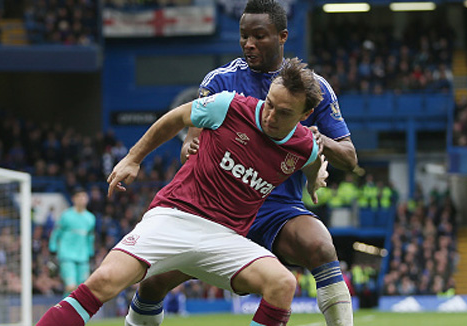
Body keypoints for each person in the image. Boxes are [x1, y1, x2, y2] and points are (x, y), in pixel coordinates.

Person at [36, 58, 329, 326]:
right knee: (104, 281)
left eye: (284, 112)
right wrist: (133, 158)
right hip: (174, 217)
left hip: (226, 239)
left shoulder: (304, 146)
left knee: (283, 283)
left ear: (306, 114)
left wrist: (315, 180)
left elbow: (314, 162)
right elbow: (176, 118)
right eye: (270, 104)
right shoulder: (229, 106)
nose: (270, 115)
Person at [125, 1, 357, 326]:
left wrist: (318, 140)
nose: (249, 44)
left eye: (259, 36)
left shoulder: (313, 90)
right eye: (244, 36)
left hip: (277, 208)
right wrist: (192, 145)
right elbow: (188, 147)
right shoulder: (221, 81)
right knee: (154, 281)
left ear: (282, 36)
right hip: (218, 209)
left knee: (320, 246)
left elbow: (349, 157)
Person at [49, 187, 96, 294]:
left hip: (83, 257)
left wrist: (91, 253)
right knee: (71, 286)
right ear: (73, 199)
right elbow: (56, 233)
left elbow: (90, 237)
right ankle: (65, 310)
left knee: (82, 289)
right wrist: (52, 249)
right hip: (67, 256)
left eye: (84, 196)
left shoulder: (90, 218)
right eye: (79, 196)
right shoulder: (66, 216)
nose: (82, 199)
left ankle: (73, 310)